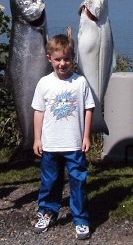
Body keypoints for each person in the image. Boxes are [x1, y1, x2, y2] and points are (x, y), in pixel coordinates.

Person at [31, 34, 95, 240]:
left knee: (78, 182)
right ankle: (48, 211)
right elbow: (38, 111)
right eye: (58, 59)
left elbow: (89, 109)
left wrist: (87, 136)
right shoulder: (44, 83)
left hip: (75, 144)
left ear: (73, 59)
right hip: (50, 145)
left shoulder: (80, 82)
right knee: (49, 181)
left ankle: (81, 219)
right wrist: (37, 139)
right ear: (49, 58)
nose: (62, 63)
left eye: (66, 59)